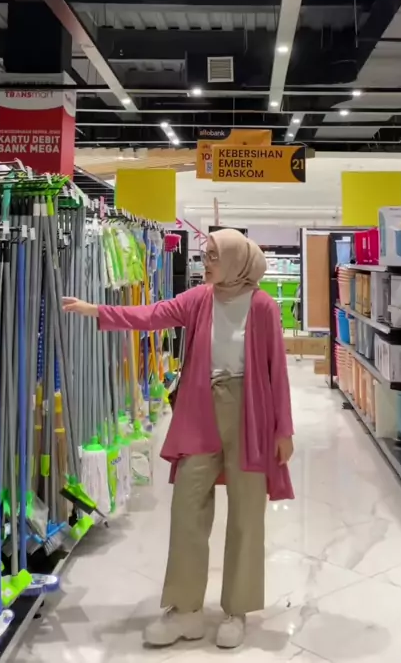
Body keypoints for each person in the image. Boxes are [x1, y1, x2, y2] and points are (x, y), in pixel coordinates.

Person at [63, 228, 294, 650]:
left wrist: (284, 430)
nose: (206, 263)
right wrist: (97, 310)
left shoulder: (263, 306)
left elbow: (276, 370)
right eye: (206, 255)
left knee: (246, 514)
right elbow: (153, 314)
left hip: (251, 415)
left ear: (236, 261)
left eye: (214, 256)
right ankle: (186, 610)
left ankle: (237, 610)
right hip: (201, 409)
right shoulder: (199, 299)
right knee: (187, 507)